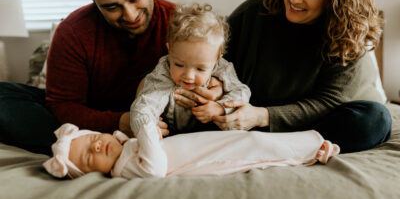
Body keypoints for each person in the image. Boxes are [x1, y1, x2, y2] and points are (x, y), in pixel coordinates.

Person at [0, 0, 218, 155]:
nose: (130, 15)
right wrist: (123, 122)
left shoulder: (181, 24)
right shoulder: (73, 32)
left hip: (163, 121)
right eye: (112, 7)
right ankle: (89, 145)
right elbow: (62, 107)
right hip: (97, 120)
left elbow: (216, 75)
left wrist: (215, 90)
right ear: (94, 1)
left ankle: (77, 148)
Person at [175, 0, 392, 153]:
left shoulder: (349, 34)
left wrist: (261, 116)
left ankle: (285, 147)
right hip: (238, 118)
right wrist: (215, 86)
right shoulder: (257, 10)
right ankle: (279, 147)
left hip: (307, 126)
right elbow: (212, 59)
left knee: (376, 118)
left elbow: (328, 103)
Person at [43, 122, 339, 179]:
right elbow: (155, 168)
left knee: (250, 138)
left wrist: (129, 135)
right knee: (255, 149)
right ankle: (313, 150)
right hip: (205, 158)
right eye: (88, 156)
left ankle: (309, 143)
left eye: (93, 137)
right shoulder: (124, 169)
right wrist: (145, 127)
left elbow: (123, 140)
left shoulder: (121, 150)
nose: (97, 144)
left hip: (204, 144)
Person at [130, 3, 251, 136]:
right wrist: (147, 126)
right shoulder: (164, 71)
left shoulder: (222, 69)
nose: (188, 76)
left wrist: (220, 108)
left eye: (200, 68)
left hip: (212, 135)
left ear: (217, 59)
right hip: (172, 135)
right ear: (170, 50)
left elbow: (242, 91)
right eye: (179, 65)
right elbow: (146, 103)